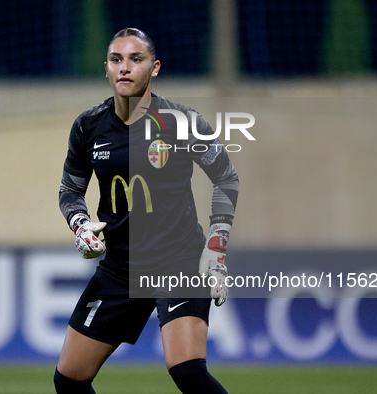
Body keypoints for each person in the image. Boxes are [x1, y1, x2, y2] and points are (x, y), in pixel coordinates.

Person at [56, 28, 239, 394]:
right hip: (120, 267)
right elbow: (70, 190)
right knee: (69, 381)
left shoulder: (182, 122)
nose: (124, 68)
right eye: (116, 60)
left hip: (179, 260)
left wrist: (216, 250)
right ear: (106, 69)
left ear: (154, 68)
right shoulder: (88, 126)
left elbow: (226, 180)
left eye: (135, 60)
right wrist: (80, 227)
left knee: (187, 370)